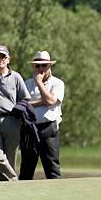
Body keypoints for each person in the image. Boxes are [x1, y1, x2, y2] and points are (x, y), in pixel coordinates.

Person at [0, 45, 31, 181]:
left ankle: (5, 189)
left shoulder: (16, 77)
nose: (0, 59)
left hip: (12, 122)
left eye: (3, 56)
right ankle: (14, 178)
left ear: (8, 59)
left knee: (10, 159)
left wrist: (19, 108)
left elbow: (26, 98)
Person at [19, 51, 64, 180]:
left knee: (52, 168)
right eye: (37, 66)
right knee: (26, 168)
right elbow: (23, 105)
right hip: (30, 128)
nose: (40, 69)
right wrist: (42, 102)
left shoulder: (57, 83)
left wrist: (39, 83)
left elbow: (50, 101)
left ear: (49, 65)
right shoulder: (27, 83)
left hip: (48, 128)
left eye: (44, 65)